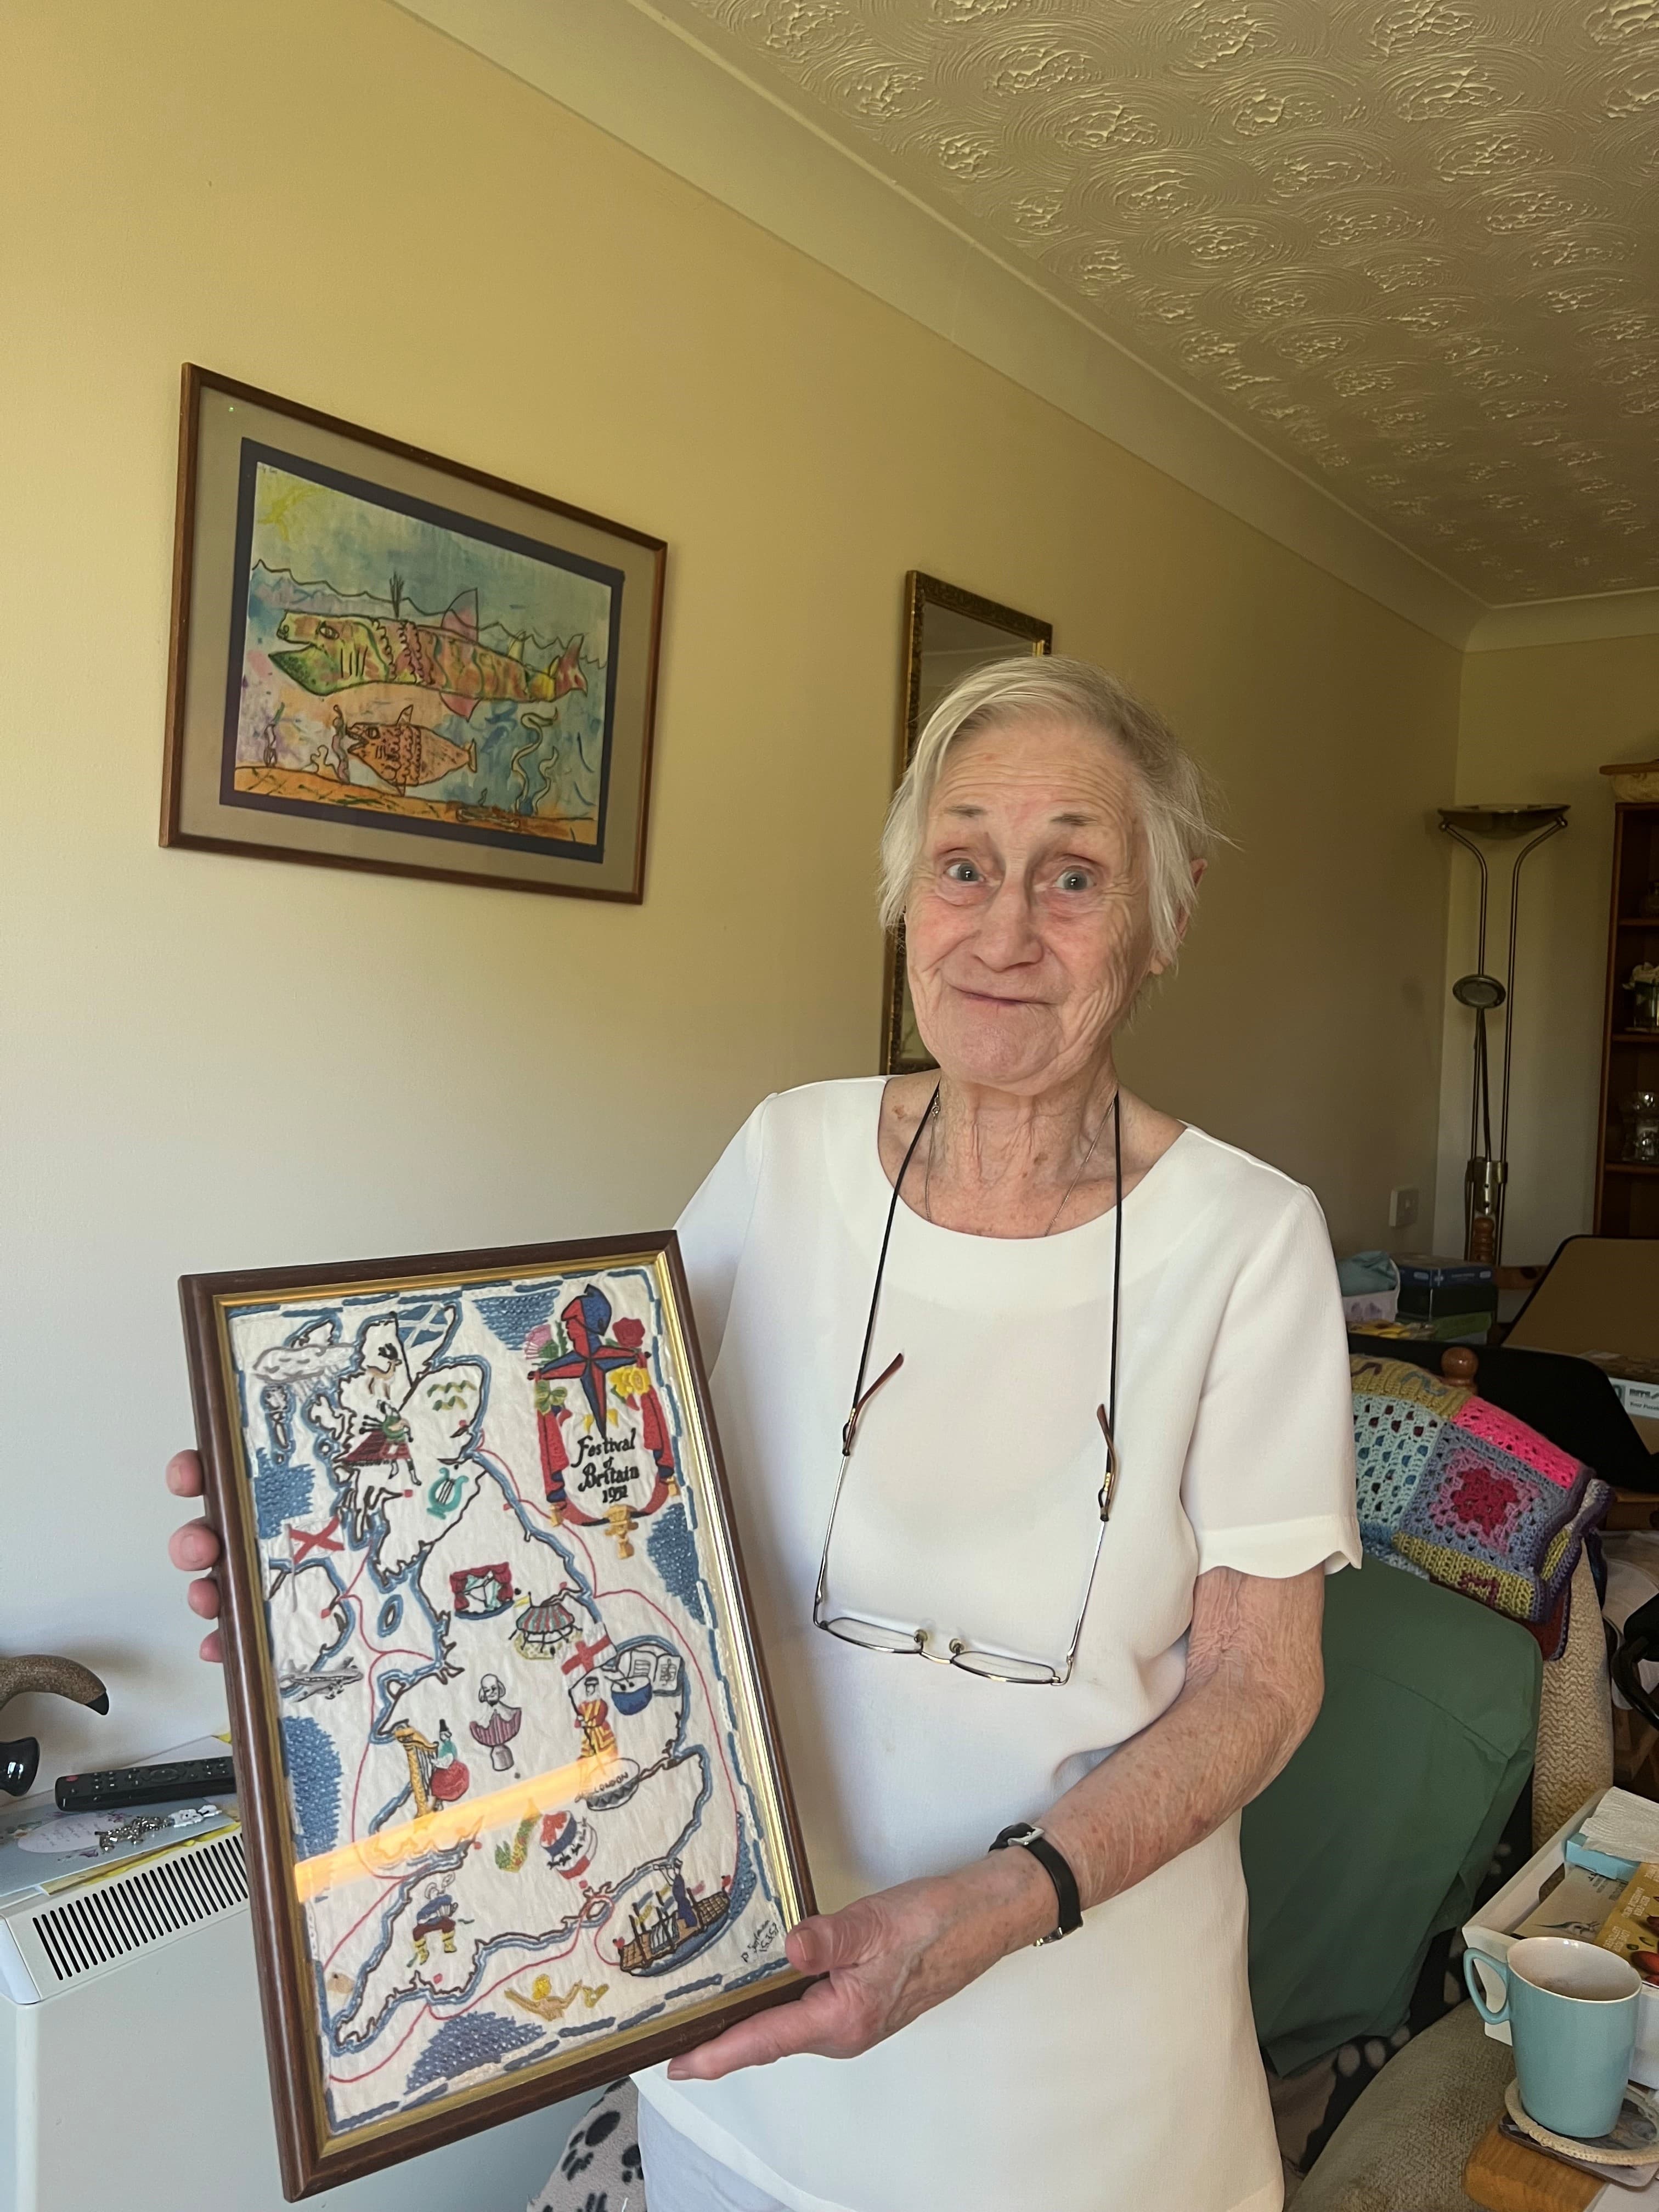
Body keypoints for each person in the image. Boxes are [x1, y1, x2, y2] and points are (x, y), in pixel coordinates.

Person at [168, 655, 1358, 2212]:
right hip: (742, 2043)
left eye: (1073, 874)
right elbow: (591, 1499)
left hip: (1077, 2104)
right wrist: (326, 1558)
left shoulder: (1251, 1242)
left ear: (1162, 918)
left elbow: (1263, 1684)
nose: (1005, 929)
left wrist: (1009, 1899)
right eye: (962, 865)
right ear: (904, 900)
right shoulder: (783, 1155)